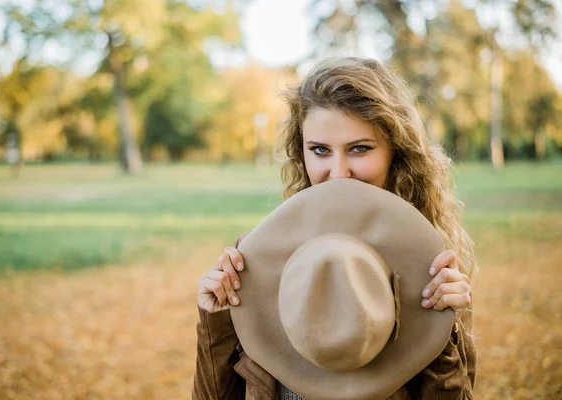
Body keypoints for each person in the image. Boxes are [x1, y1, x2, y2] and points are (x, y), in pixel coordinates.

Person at [193, 57, 477, 399]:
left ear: (395, 153)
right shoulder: (254, 265)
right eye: (320, 150)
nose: (338, 172)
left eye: (359, 149)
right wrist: (216, 322)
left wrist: (442, 334)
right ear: (302, 153)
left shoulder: (434, 268)